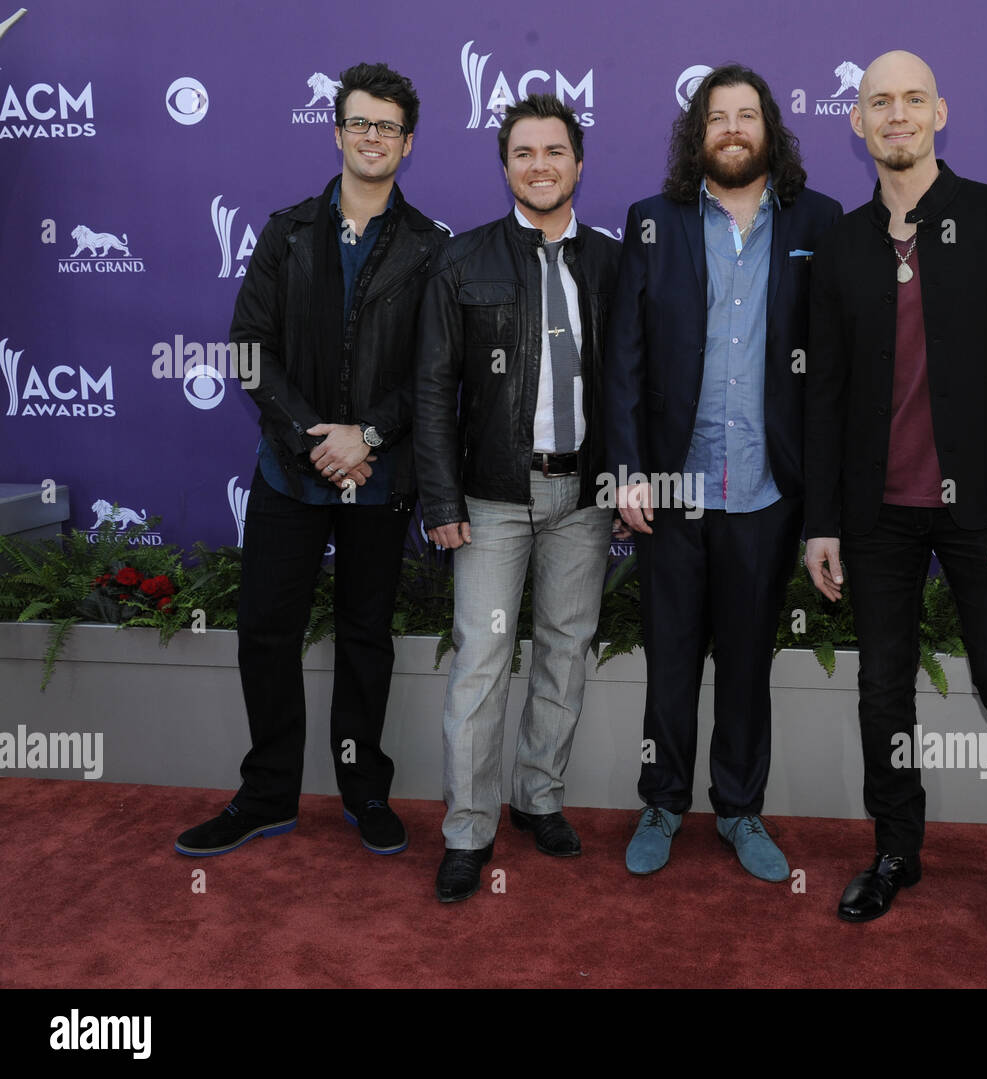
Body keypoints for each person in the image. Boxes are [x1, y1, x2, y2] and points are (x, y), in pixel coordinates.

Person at [802, 50, 987, 964]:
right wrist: (823, 520)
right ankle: (895, 851)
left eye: (912, 99)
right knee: (883, 692)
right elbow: (825, 397)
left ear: (940, 113)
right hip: (876, 514)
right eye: (878, 102)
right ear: (856, 122)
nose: (896, 115)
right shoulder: (840, 244)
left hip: (985, 516)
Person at [176, 63, 445, 858]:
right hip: (288, 471)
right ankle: (266, 795)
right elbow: (249, 351)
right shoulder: (286, 230)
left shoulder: (431, 247)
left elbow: (435, 369)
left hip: (379, 474)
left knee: (367, 635)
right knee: (265, 629)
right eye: (359, 123)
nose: (372, 138)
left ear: (407, 143)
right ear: (336, 131)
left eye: (388, 127)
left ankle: (364, 792)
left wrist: (368, 436)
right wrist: (315, 437)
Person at [606, 65, 842, 882]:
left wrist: (824, 505)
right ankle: (663, 800)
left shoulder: (820, 220)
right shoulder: (653, 221)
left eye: (747, 116)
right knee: (671, 658)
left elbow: (835, 374)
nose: (733, 129)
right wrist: (628, 471)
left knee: (746, 662)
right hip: (673, 491)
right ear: (696, 134)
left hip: (768, 491)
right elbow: (625, 363)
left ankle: (740, 809)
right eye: (718, 118)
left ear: (769, 128)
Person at [413, 94, 619, 903]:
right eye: (524, 152)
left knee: (566, 650)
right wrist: (441, 500)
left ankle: (537, 798)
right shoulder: (463, 262)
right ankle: (467, 828)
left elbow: (631, 384)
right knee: (482, 663)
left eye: (555, 151)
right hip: (493, 496)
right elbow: (432, 390)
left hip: (586, 495)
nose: (540, 165)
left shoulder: (609, 262)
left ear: (578, 162)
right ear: (505, 166)